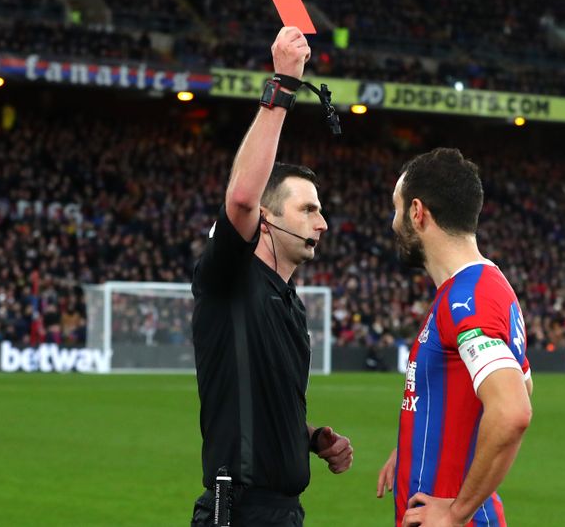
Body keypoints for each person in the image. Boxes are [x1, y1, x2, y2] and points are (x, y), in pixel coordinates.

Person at [190, 27, 353, 527]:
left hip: (285, 510)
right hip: (238, 510)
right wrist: (282, 84)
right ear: (267, 218)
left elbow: (257, 405)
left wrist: (308, 438)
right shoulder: (230, 278)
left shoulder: (289, 300)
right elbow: (240, 197)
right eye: (308, 209)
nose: (322, 223)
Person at [375, 148, 534, 526]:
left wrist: (457, 511)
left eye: (396, 209)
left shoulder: (469, 298)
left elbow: (513, 410)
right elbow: (523, 385)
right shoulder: (479, 287)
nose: (394, 222)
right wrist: (418, 448)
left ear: (417, 212)